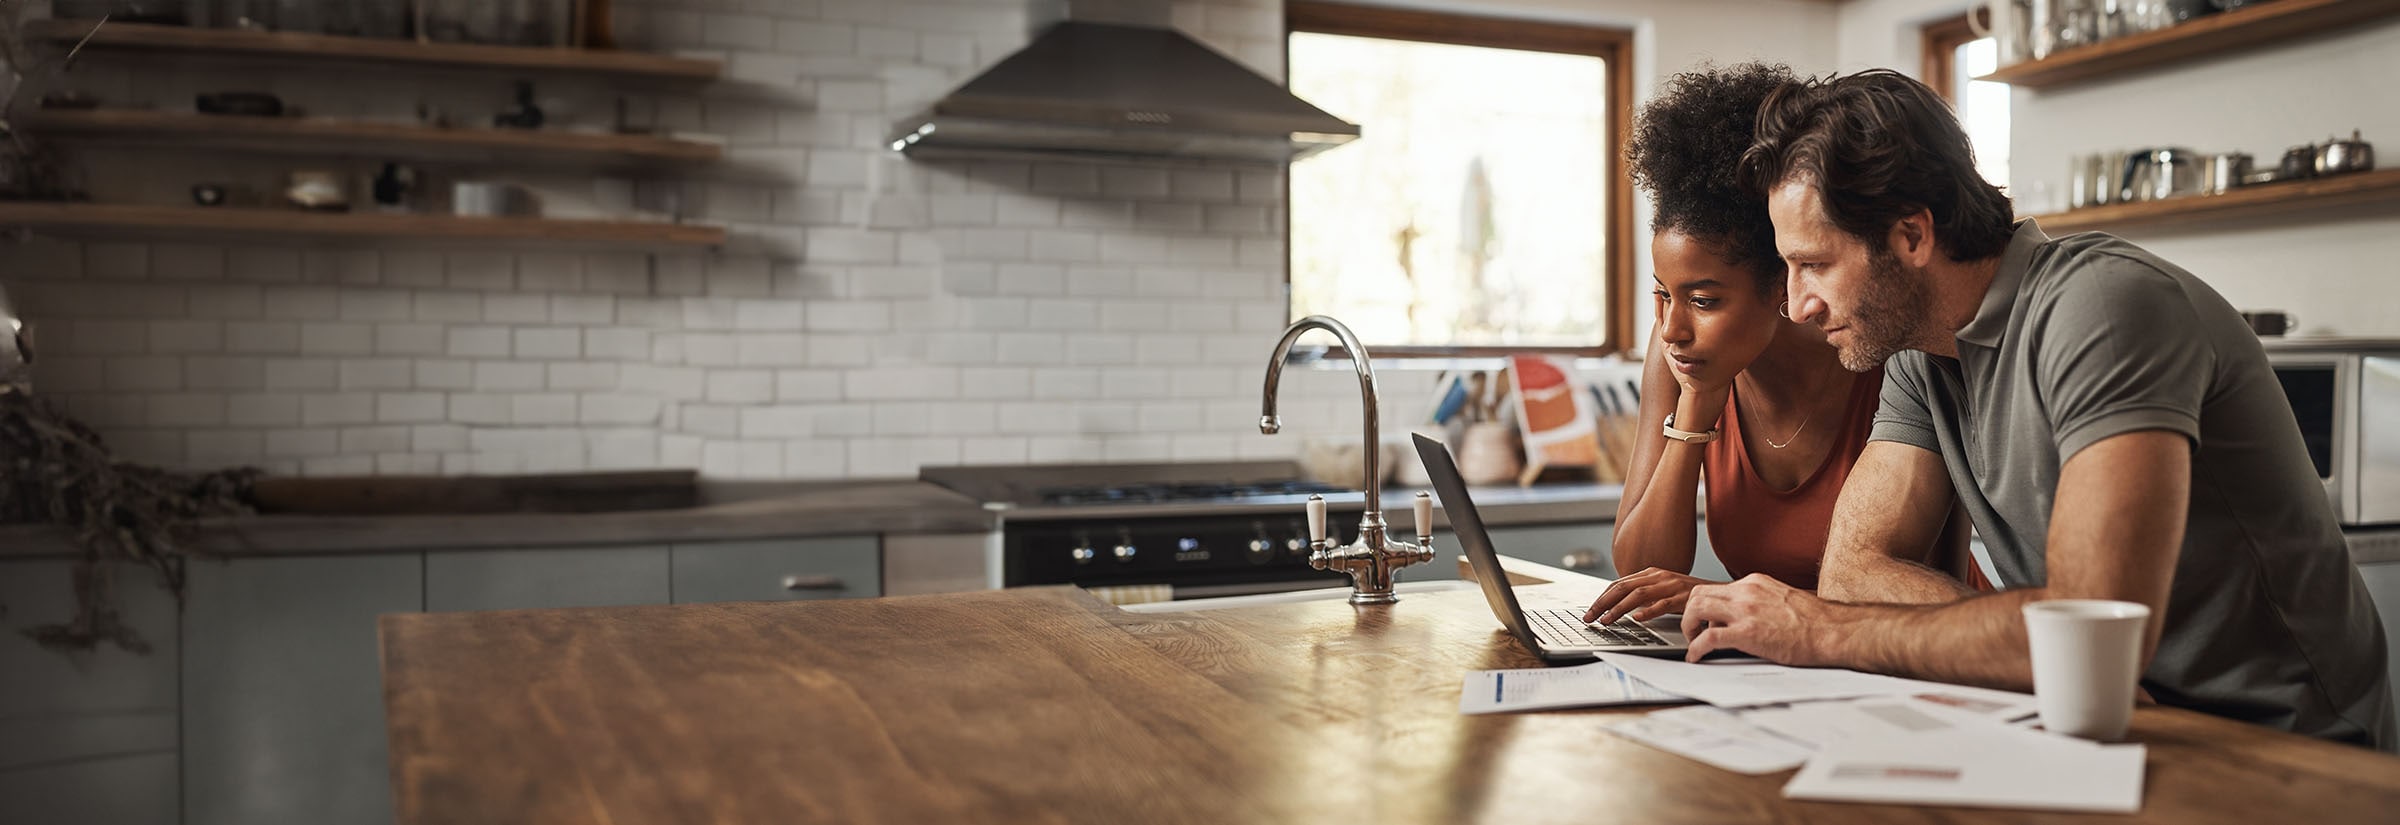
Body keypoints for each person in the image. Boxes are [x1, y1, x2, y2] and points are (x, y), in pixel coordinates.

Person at [1674, 68, 2394, 750]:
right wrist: (2030, 647)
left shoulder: (2103, 308)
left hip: (2280, 746)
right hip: (2104, 721)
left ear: (1913, 235)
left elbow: (2087, 634)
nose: (1799, 304)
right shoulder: (1922, 356)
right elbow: (1854, 573)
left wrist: (1823, 632)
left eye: (1816, 265)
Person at [1581, 63, 1968, 627]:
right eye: (1664, 295)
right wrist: (1695, 412)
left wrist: (1723, 599)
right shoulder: (1680, 360)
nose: (1672, 329)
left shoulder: (1882, 354)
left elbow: (1924, 586)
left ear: (1781, 283)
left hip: (1915, 658)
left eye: (1705, 300)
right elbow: (1638, 572)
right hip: (1777, 664)